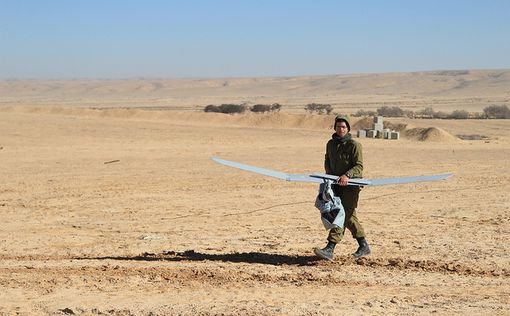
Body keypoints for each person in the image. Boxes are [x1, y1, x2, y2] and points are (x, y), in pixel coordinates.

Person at [314, 115, 371, 260]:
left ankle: (330, 247)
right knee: (349, 216)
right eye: (339, 126)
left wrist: (347, 175)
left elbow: (359, 166)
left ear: (348, 129)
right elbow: (327, 160)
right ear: (335, 128)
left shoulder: (354, 145)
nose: (341, 129)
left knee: (341, 214)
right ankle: (363, 245)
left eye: (344, 127)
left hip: (350, 187)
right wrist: (328, 173)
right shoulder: (331, 144)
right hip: (334, 184)